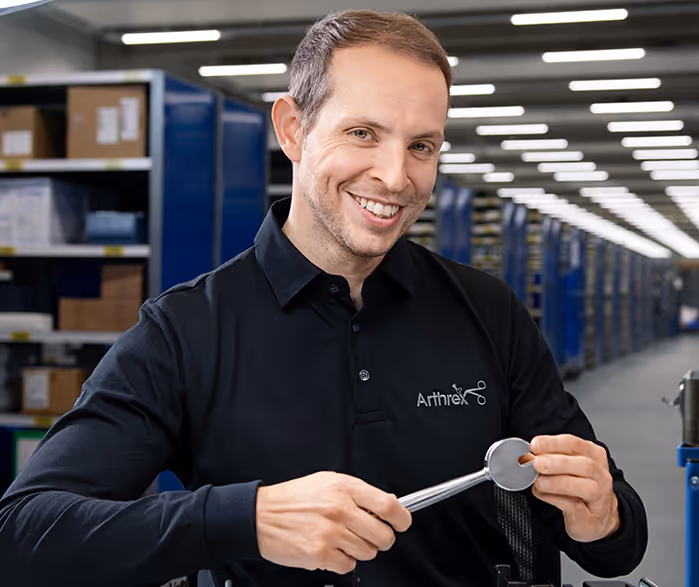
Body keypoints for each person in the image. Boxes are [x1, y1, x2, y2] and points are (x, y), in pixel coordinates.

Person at [0, 9, 647, 587]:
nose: (396, 178)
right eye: (363, 133)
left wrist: (603, 514)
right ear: (293, 128)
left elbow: (618, 547)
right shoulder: (187, 331)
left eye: (422, 145)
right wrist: (245, 518)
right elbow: (24, 535)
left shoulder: (490, 310)